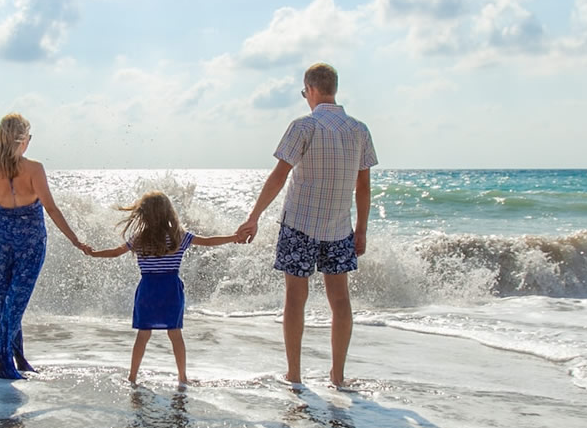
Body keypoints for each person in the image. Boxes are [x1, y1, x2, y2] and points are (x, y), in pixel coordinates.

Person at [234, 63, 377, 388]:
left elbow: (279, 176)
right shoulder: (359, 130)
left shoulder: (304, 126)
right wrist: (363, 229)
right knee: (340, 301)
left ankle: (294, 374)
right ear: (334, 89)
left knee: (295, 299)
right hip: (340, 228)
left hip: (299, 224)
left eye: (304, 93)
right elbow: (363, 187)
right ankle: (337, 376)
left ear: (310, 89)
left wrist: (254, 216)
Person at [0, 113, 87, 380]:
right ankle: (2, 362)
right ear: (22, 140)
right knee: (12, 303)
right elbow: (50, 207)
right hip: (30, 240)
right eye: (29, 137)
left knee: (7, 303)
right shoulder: (34, 169)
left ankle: (17, 358)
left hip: (0, 238)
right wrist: (75, 239)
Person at [85, 191, 242, 385]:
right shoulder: (178, 237)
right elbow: (208, 241)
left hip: (148, 290)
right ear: (168, 212)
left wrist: (93, 253)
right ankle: (182, 377)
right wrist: (234, 237)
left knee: (143, 335)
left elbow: (116, 252)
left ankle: (132, 376)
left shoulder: (139, 238)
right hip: (170, 291)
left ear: (143, 214)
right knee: (175, 334)